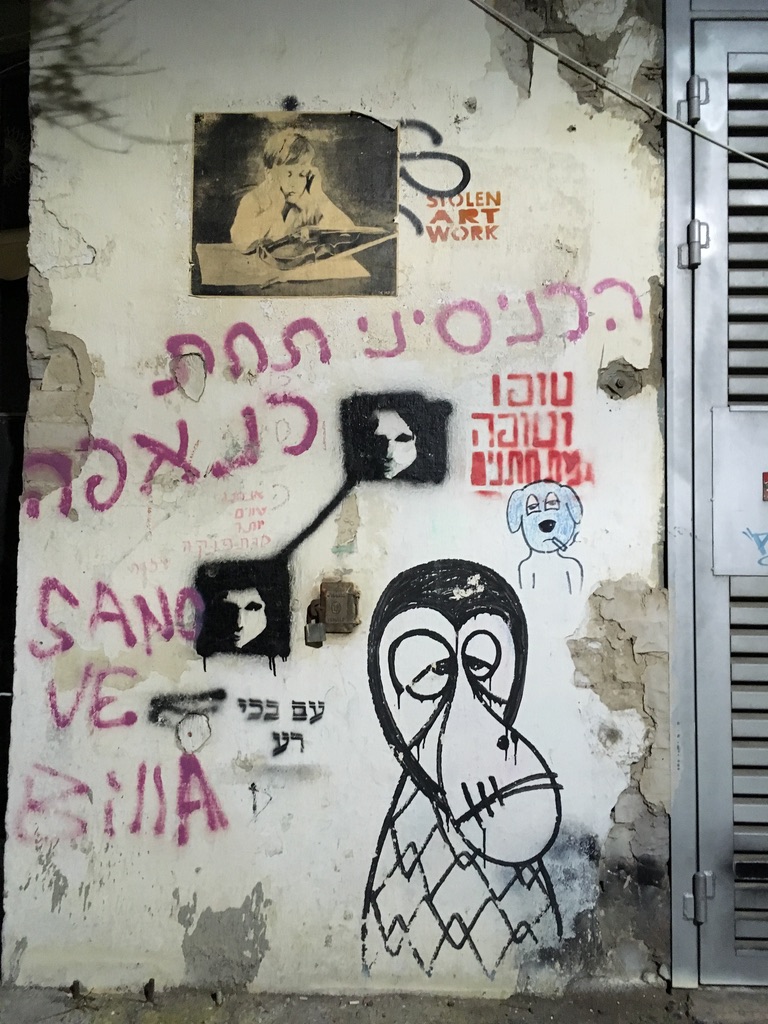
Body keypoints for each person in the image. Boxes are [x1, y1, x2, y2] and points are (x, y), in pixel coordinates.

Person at [230, 129, 355, 254]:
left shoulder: (307, 202)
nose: (295, 184)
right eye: (289, 174)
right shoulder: (254, 200)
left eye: (302, 174)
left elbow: (349, 235)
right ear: (269, 174)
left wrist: (319, 196)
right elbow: (241, 242)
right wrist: (275, 207)